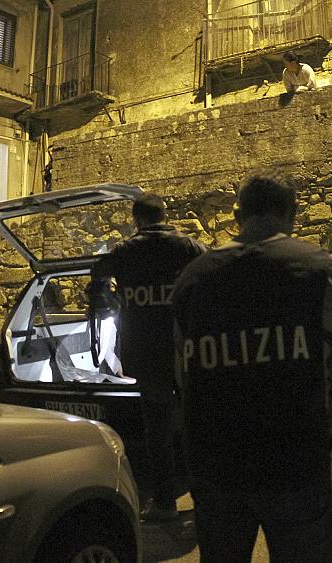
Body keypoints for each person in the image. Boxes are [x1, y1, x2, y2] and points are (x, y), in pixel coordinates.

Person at [172, 173, 332, 562]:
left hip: (216, 462)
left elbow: (182, 375)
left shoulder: (192, 279)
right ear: (293, 213)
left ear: (238, 215)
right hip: (295, 460)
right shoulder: (323, 270)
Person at [88, 193, 207, 521]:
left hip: (146, 351)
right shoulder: (188, 247)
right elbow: (211, 271)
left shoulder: (126, 251)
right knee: (196, 423)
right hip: (185, 349)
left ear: (136, 219)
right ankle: (206, 499)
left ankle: (165, 503)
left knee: (158, 430)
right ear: (164, 215)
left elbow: (98, 273)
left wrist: (113, 293)